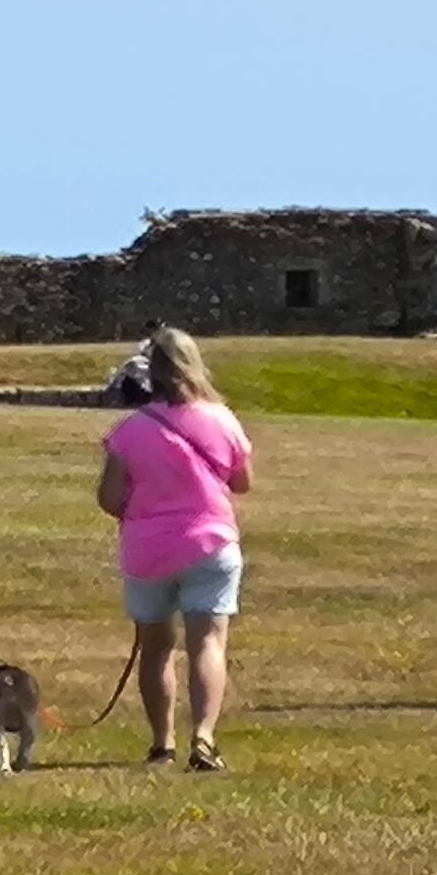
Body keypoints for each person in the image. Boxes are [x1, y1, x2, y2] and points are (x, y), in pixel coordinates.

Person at [93, 325, 252, 773]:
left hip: (149, 549)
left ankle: (161, 744)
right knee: (208, 642)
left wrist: (141, 510)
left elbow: (109, 498)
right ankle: (203, 736)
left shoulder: (131, 431)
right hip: (211, 542)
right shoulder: (222, 419)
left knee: (156, 647)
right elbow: (243, 481)